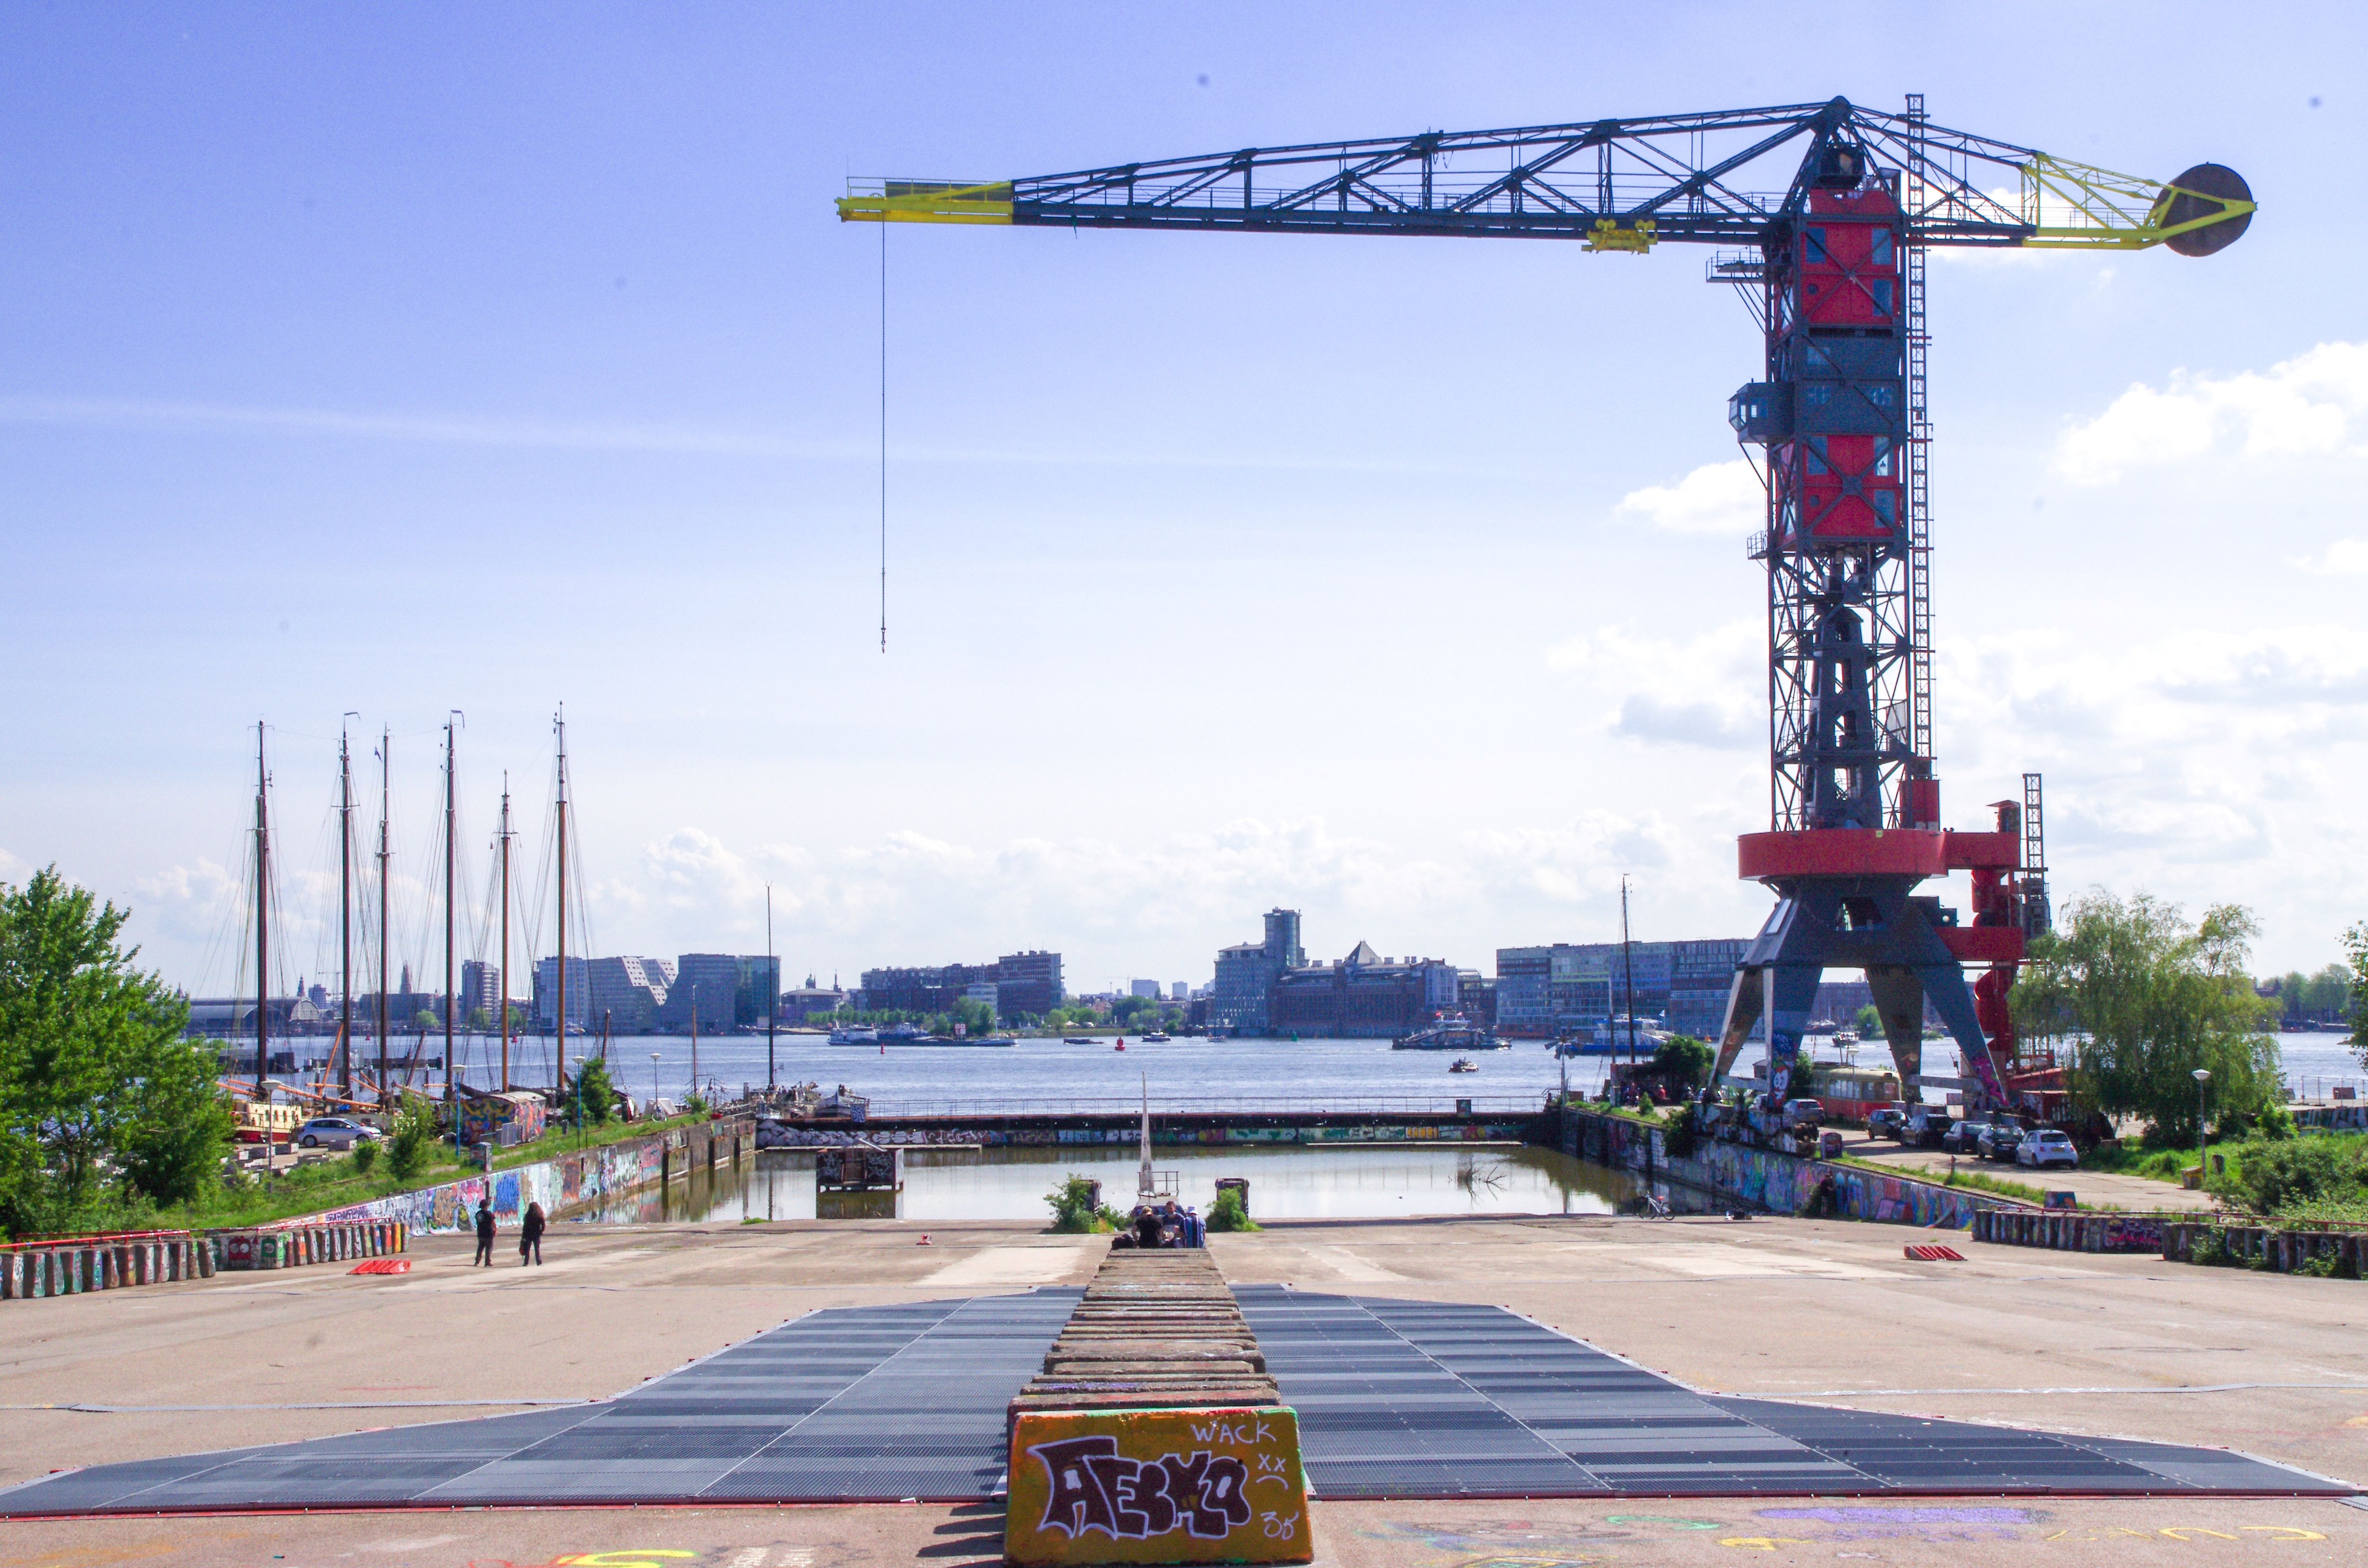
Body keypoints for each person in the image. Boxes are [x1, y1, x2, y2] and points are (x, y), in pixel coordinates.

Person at [520, 1200, 546, 1266]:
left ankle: (526, 1263)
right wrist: (541, 1232)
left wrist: (523, 1236)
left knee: (527, 1249)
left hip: (528, 1235)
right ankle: (539, 1262)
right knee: (537, 1249)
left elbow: (525, 1227)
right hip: (536, 1235)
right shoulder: (539, 1215)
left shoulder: (528, 1216)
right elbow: (543, 1225)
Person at [472, 1199, 496, 1267]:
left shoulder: (478, 1214)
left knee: (480, 1248)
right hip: (489, 1233)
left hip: (480, 1233)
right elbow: (493, 1223)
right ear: (486, 1206)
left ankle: (477, 1262)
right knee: (489, 1248)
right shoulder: (489, 1214)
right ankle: (487, 1262)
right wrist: (495, 1230)